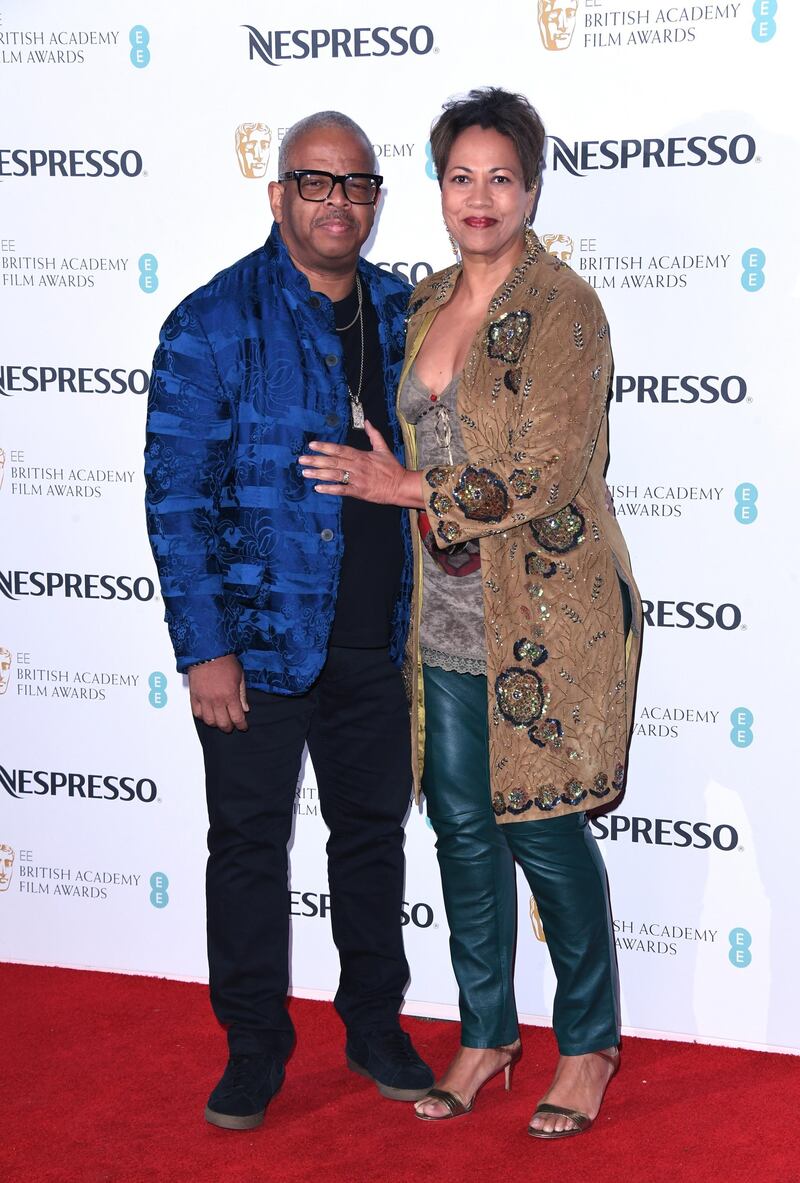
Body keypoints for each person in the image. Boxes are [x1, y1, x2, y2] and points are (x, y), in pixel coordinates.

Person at [299, 87, 642, 1139]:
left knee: (541, 827)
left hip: (547, 615)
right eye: (461, 177)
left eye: (501, 177)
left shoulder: (565, 306)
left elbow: (542, 471)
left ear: (531, 188)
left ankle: (585, 1045)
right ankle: (487, 1031)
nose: (479, 196)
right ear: (438, 191)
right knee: (458, 832)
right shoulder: (421, 299)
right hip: (441, 616)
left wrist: (403, 489)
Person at [144, 110, 433, 1131]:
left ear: (373, 201)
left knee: (370, 839)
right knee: (249, 844)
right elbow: (175, 499)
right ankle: (255, 1045)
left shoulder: (407, 311)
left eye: (355, 185)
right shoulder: (212, 321)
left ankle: (373, 1025)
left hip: (377, 638)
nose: (336, 203)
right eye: (315, 182)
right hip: (256, 647)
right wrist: (205, 648)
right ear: (278, 196)